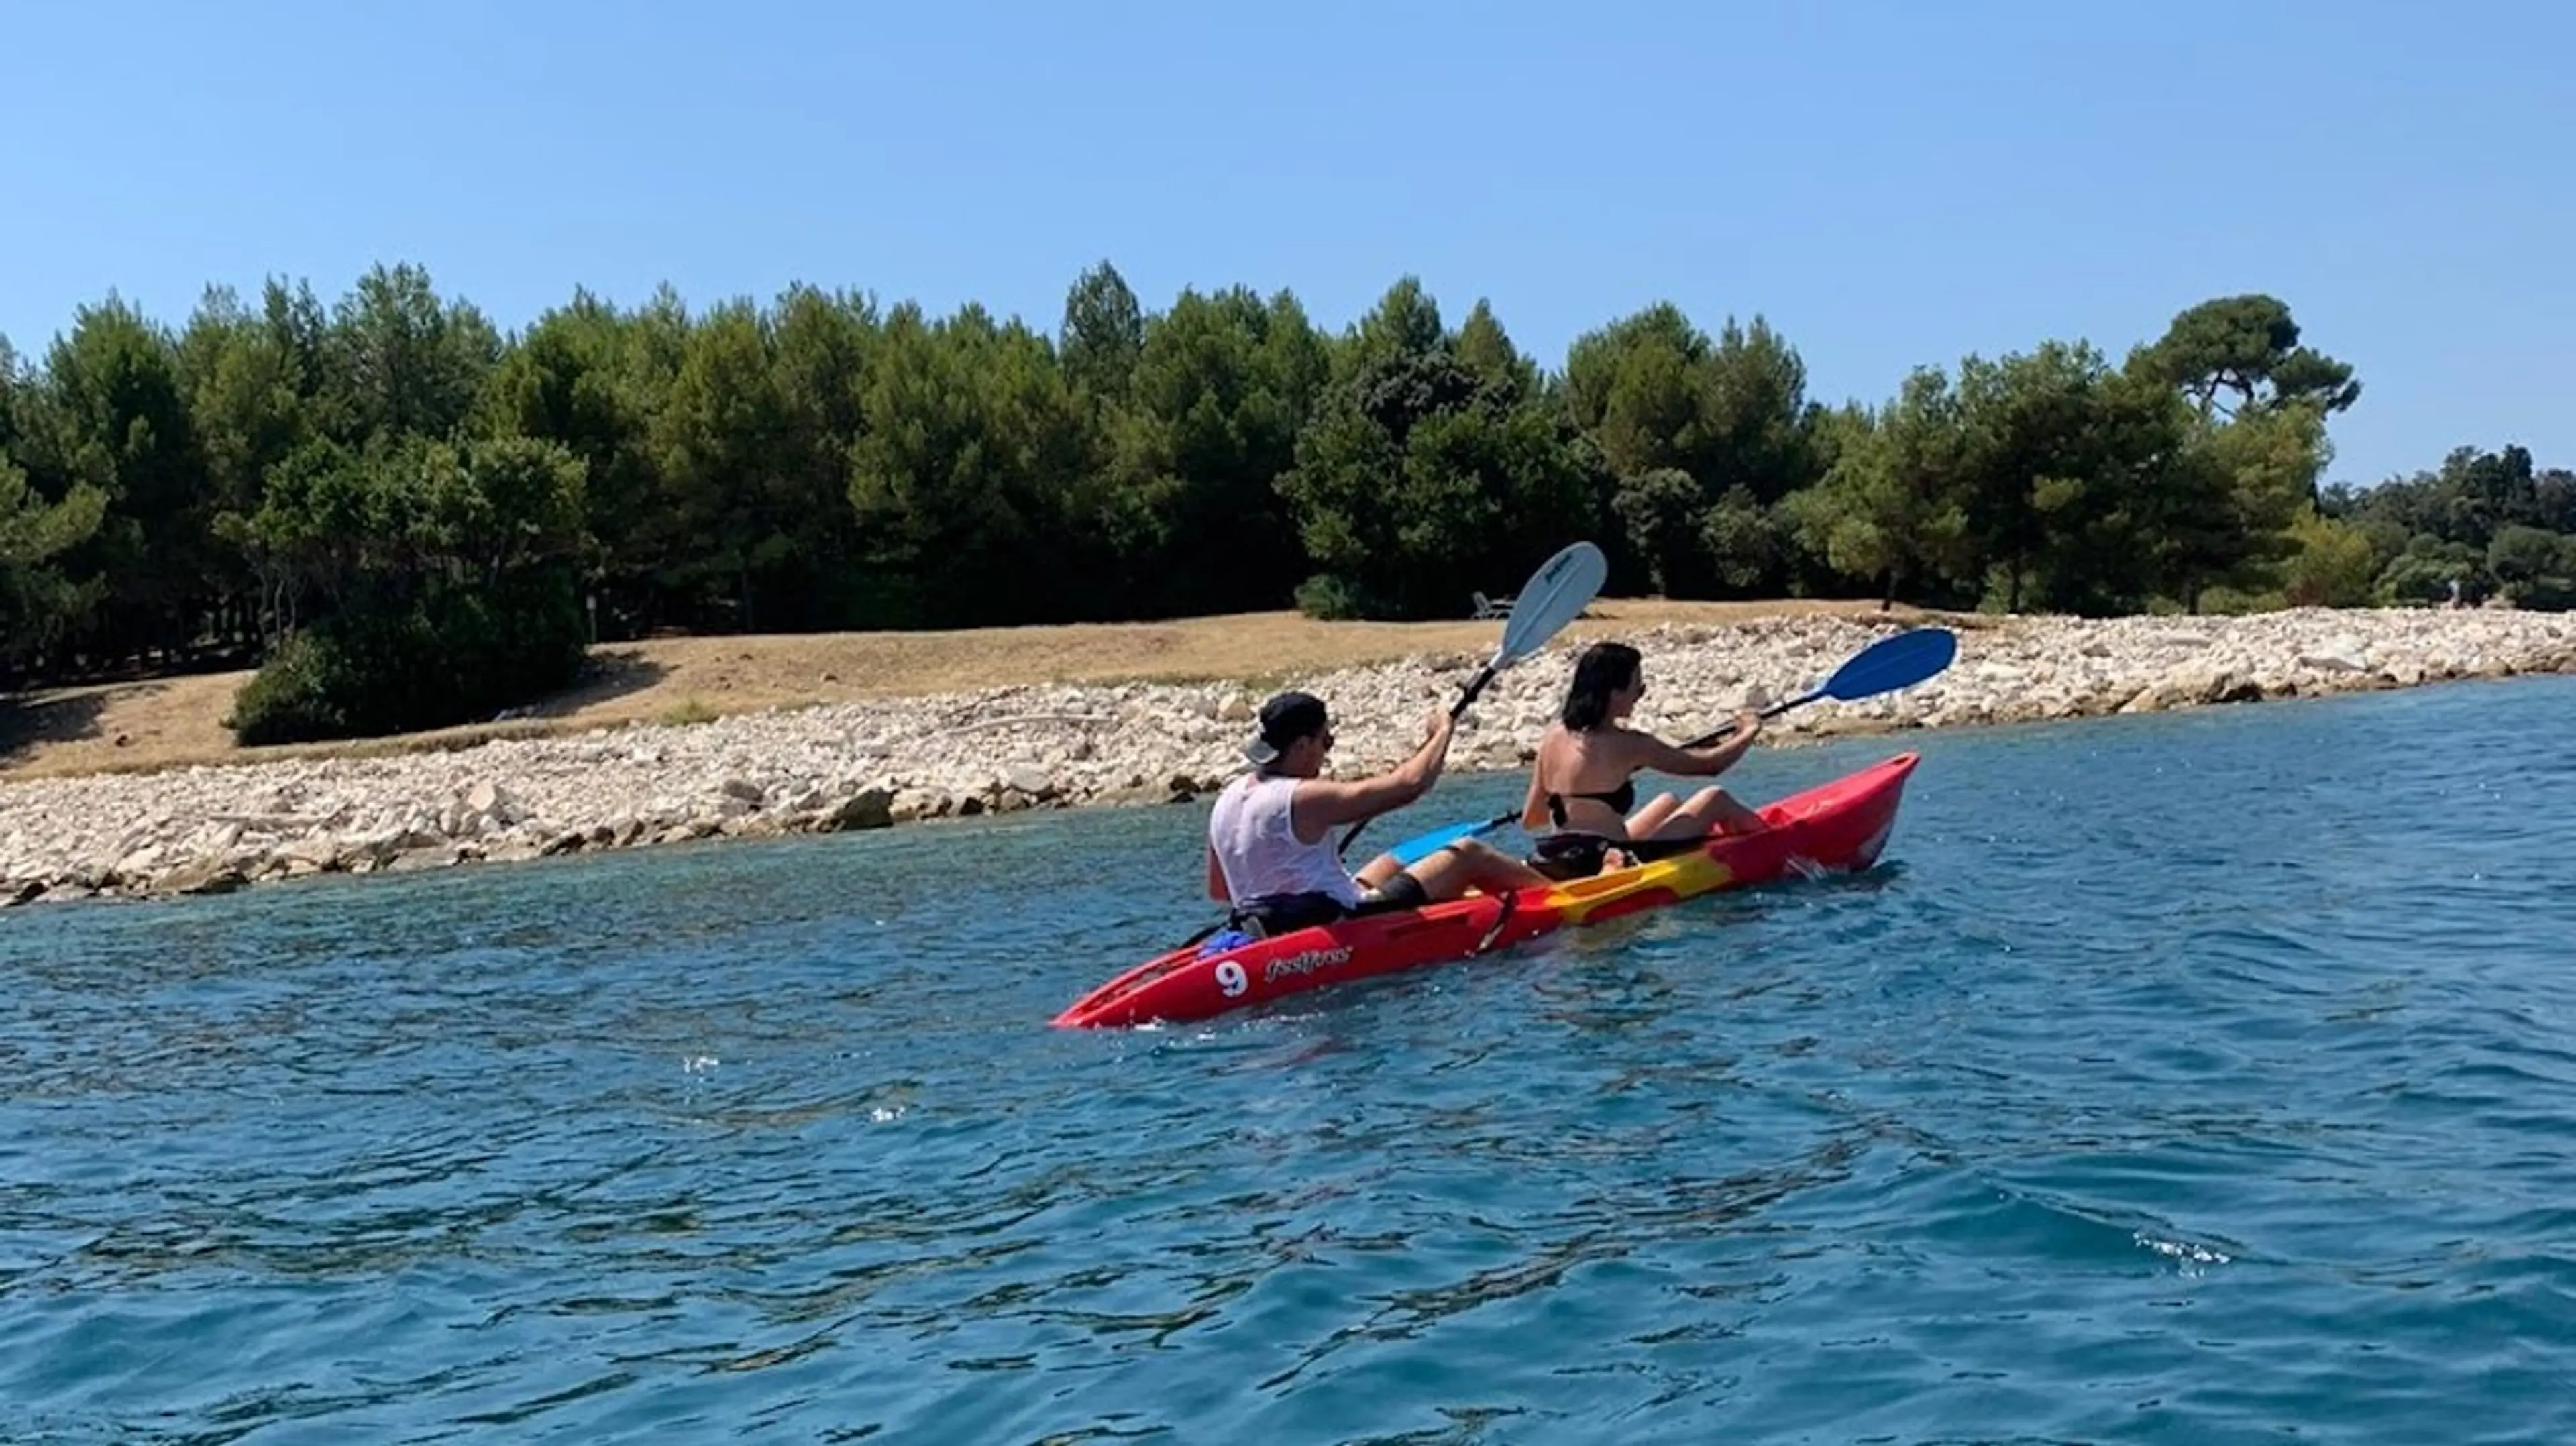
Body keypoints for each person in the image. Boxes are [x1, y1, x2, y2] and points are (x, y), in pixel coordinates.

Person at [1206, 690, 1550, 934]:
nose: (1326, 752)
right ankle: (1563, 893)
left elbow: (1221, 891)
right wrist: (1443, 732)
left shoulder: (1227, 798)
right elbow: (1412, 785)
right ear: (1301, 746)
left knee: (1389, 861)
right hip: (1334, 921)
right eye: (1326, 741)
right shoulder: (1303, 796)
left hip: (1261, 920)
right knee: (1468, 852)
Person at [1517, 641, 1770, 881]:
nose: (1640, 695)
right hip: (1606, 859)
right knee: (1716, 798)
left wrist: (1581, 797)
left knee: (1667, 801)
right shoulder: (1630, 744)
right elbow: (1711, 766)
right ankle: (1777, 842)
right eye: (1638, 688)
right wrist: (1748, 732)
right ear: (1615, 693)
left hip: (1555, 855)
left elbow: (1533, 818)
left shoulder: (1553, 737)